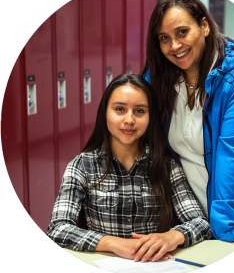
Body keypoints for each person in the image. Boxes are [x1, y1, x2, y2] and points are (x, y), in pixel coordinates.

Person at [141, 0, 234, 243]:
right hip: (188, 222)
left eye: (182, 32)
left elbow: (232, 154)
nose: (175, 46)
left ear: (204, 25)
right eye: (164, 38)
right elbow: (134, 128)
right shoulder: (159, 76)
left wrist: (225, 226)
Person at [47, 74, 212, 263]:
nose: (129, 119)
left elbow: (200, 223)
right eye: (119, 109)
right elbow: (58, 228)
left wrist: (171, 237)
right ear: (105, 113)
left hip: (156, 268)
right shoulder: (82, 166)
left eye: (139, 111)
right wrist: (113, 243)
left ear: (150, 116)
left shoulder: (166, 166)